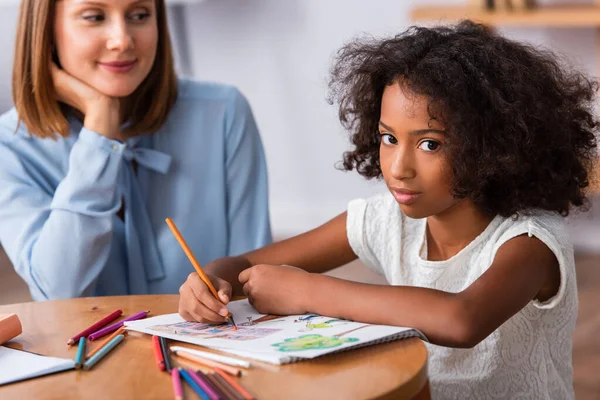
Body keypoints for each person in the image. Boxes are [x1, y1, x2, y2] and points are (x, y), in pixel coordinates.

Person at [178, 21, 598, 398]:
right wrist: (211, 280)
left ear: (491, 148)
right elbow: (244, 264)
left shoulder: (530, 242)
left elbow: (462, 320)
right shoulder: (386, 220)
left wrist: (309, 292)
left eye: (430, 144)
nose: (399, 168)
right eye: (388, 138)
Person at [0, 0, 271, 301]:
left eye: (139, 15)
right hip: (88, 346)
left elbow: (252, 278)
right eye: (94, 17)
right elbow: (59, 292)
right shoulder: (8, 146)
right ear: (45, 31)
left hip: (210, 343)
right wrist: (98, 137)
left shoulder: (223, 112)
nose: (122, 40)